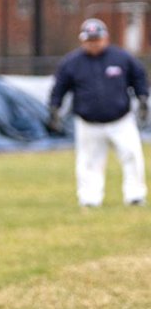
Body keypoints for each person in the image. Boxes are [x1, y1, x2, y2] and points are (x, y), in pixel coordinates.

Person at [49, 17, 149, 207]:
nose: (94, 44)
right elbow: (59, 87)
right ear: (83, 40)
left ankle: (135, 195)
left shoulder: (121, 58)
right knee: (89, 162)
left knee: (132, 156)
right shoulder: (72, 62)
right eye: (90, 40)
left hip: (121, 120)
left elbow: (139, 77)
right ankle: (89, 199)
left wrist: (142, 99)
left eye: (97, 39)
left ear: (106, 38)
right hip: (88, 122)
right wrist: (55, 108)